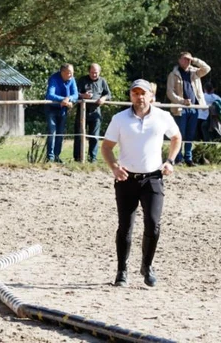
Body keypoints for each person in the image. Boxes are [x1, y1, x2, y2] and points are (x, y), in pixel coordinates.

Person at [101, 79, 182, 288]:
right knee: (125, 227)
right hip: (127, 178)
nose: (140, 97)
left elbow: (176, 138)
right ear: (131, 96)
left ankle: (147, 266)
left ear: (151, 96)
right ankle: (122, 271)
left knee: (153, 225)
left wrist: (170, 161)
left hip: (153, 178)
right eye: (135, 93)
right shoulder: (120, 119)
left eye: (143, 93)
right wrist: (114, 167)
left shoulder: (162, 117)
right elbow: (107, 147)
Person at [166, 52, 211, 166]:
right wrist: (182, 101)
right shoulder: (173, 74)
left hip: (194, 108)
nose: (187, 61)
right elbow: (170, 92)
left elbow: (207, 68)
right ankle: (178, 158)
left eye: (189, 59)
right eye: (185, 59)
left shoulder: (195, 72)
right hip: (180, 108)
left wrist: (195, 59)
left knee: (190, 134)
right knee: (180, 133)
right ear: (179, 60)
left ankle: (188, 158)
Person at [73, 63, 111, 163]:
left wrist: (103, 98)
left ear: (99, 72)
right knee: (79, 135)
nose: (94, 74)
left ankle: (92, 158)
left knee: (94, 136)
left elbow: (108, 94)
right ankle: (78, 158)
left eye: (96, 73)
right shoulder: (82, 80)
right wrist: (83, 95)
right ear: (89, 71)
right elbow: (74, 93)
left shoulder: (102, 81)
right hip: (82, 111)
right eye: (92, 72)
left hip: (96, 112)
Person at [45, 63, 78, 163]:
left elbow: (75, 94)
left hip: (63, 109)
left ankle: (56, 156)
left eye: (72, 73)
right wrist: (63, 100)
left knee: (60, 133)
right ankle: (50, 157)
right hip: (51, 109)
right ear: (62, 72)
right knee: (52, 132)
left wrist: (69, 99)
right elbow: (50, 95)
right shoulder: (54, 78)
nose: (71, 75)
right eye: (69, 73)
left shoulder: (72, 80)